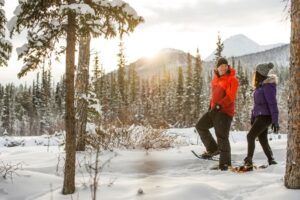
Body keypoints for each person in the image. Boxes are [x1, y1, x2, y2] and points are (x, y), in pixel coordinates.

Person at [195, 57, 239, 170]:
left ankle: (225, 164)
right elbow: (214, 96)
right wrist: (211, 107)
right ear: (217, 67)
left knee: (222, 137)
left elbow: (230, 96)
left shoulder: (232, 80)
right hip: (214, 110)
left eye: (225, 65)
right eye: (221, 65)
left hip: (224, 112)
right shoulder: (215, 79)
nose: (223, 67)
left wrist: (219, 105)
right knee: (200, 126)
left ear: (227, 67)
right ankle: (213, 149)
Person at [244, 62, 279, 167]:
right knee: (263, 139)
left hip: (265, 116)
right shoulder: (260, 86)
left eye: (256, 72)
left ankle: (249, 160)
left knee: (250, 136)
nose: (254, 74)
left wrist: (275, 121)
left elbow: (272, 104)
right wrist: (253, 117)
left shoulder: (267, 86)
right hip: (260, 116)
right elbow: (257, 105)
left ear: (260, 74)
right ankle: (271, 160)